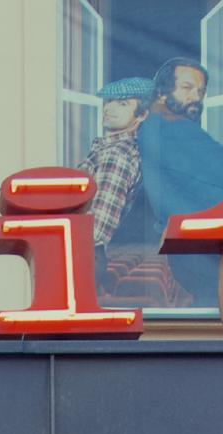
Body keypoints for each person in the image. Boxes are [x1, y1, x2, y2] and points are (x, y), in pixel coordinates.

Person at [136, 57, 223, 308]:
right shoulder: (175, 129)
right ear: (162, 93)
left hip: (188, 247)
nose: (196, 96)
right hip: (202, 248)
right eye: (187, 88)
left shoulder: (154, 127)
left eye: (201, 90)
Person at [81, 77, 150, 286]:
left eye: (123, 104)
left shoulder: (116, 155)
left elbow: (95, 231)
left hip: (84, 257)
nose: (109, 108)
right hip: (87, 257)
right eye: (109, 101)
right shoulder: (107, 150)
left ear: (142, 116)